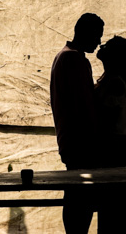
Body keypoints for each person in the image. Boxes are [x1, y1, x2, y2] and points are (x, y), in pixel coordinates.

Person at [50, 12, 104, 234]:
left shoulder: (63, 56)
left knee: (75, 192)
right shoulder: (75, 60)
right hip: (80, 140)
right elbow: (84, 106)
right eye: (97, 35)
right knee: (81, 196)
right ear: (86, 32)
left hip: (69, 138)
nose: (99, 42)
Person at [93, 36, 126, 234]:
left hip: (115, 145)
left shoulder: (115, 83)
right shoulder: (110, 79)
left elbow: (105, 118)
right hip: (114, 143)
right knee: (112, 199)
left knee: (114, 199)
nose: (102, 46)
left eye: (108, 46)